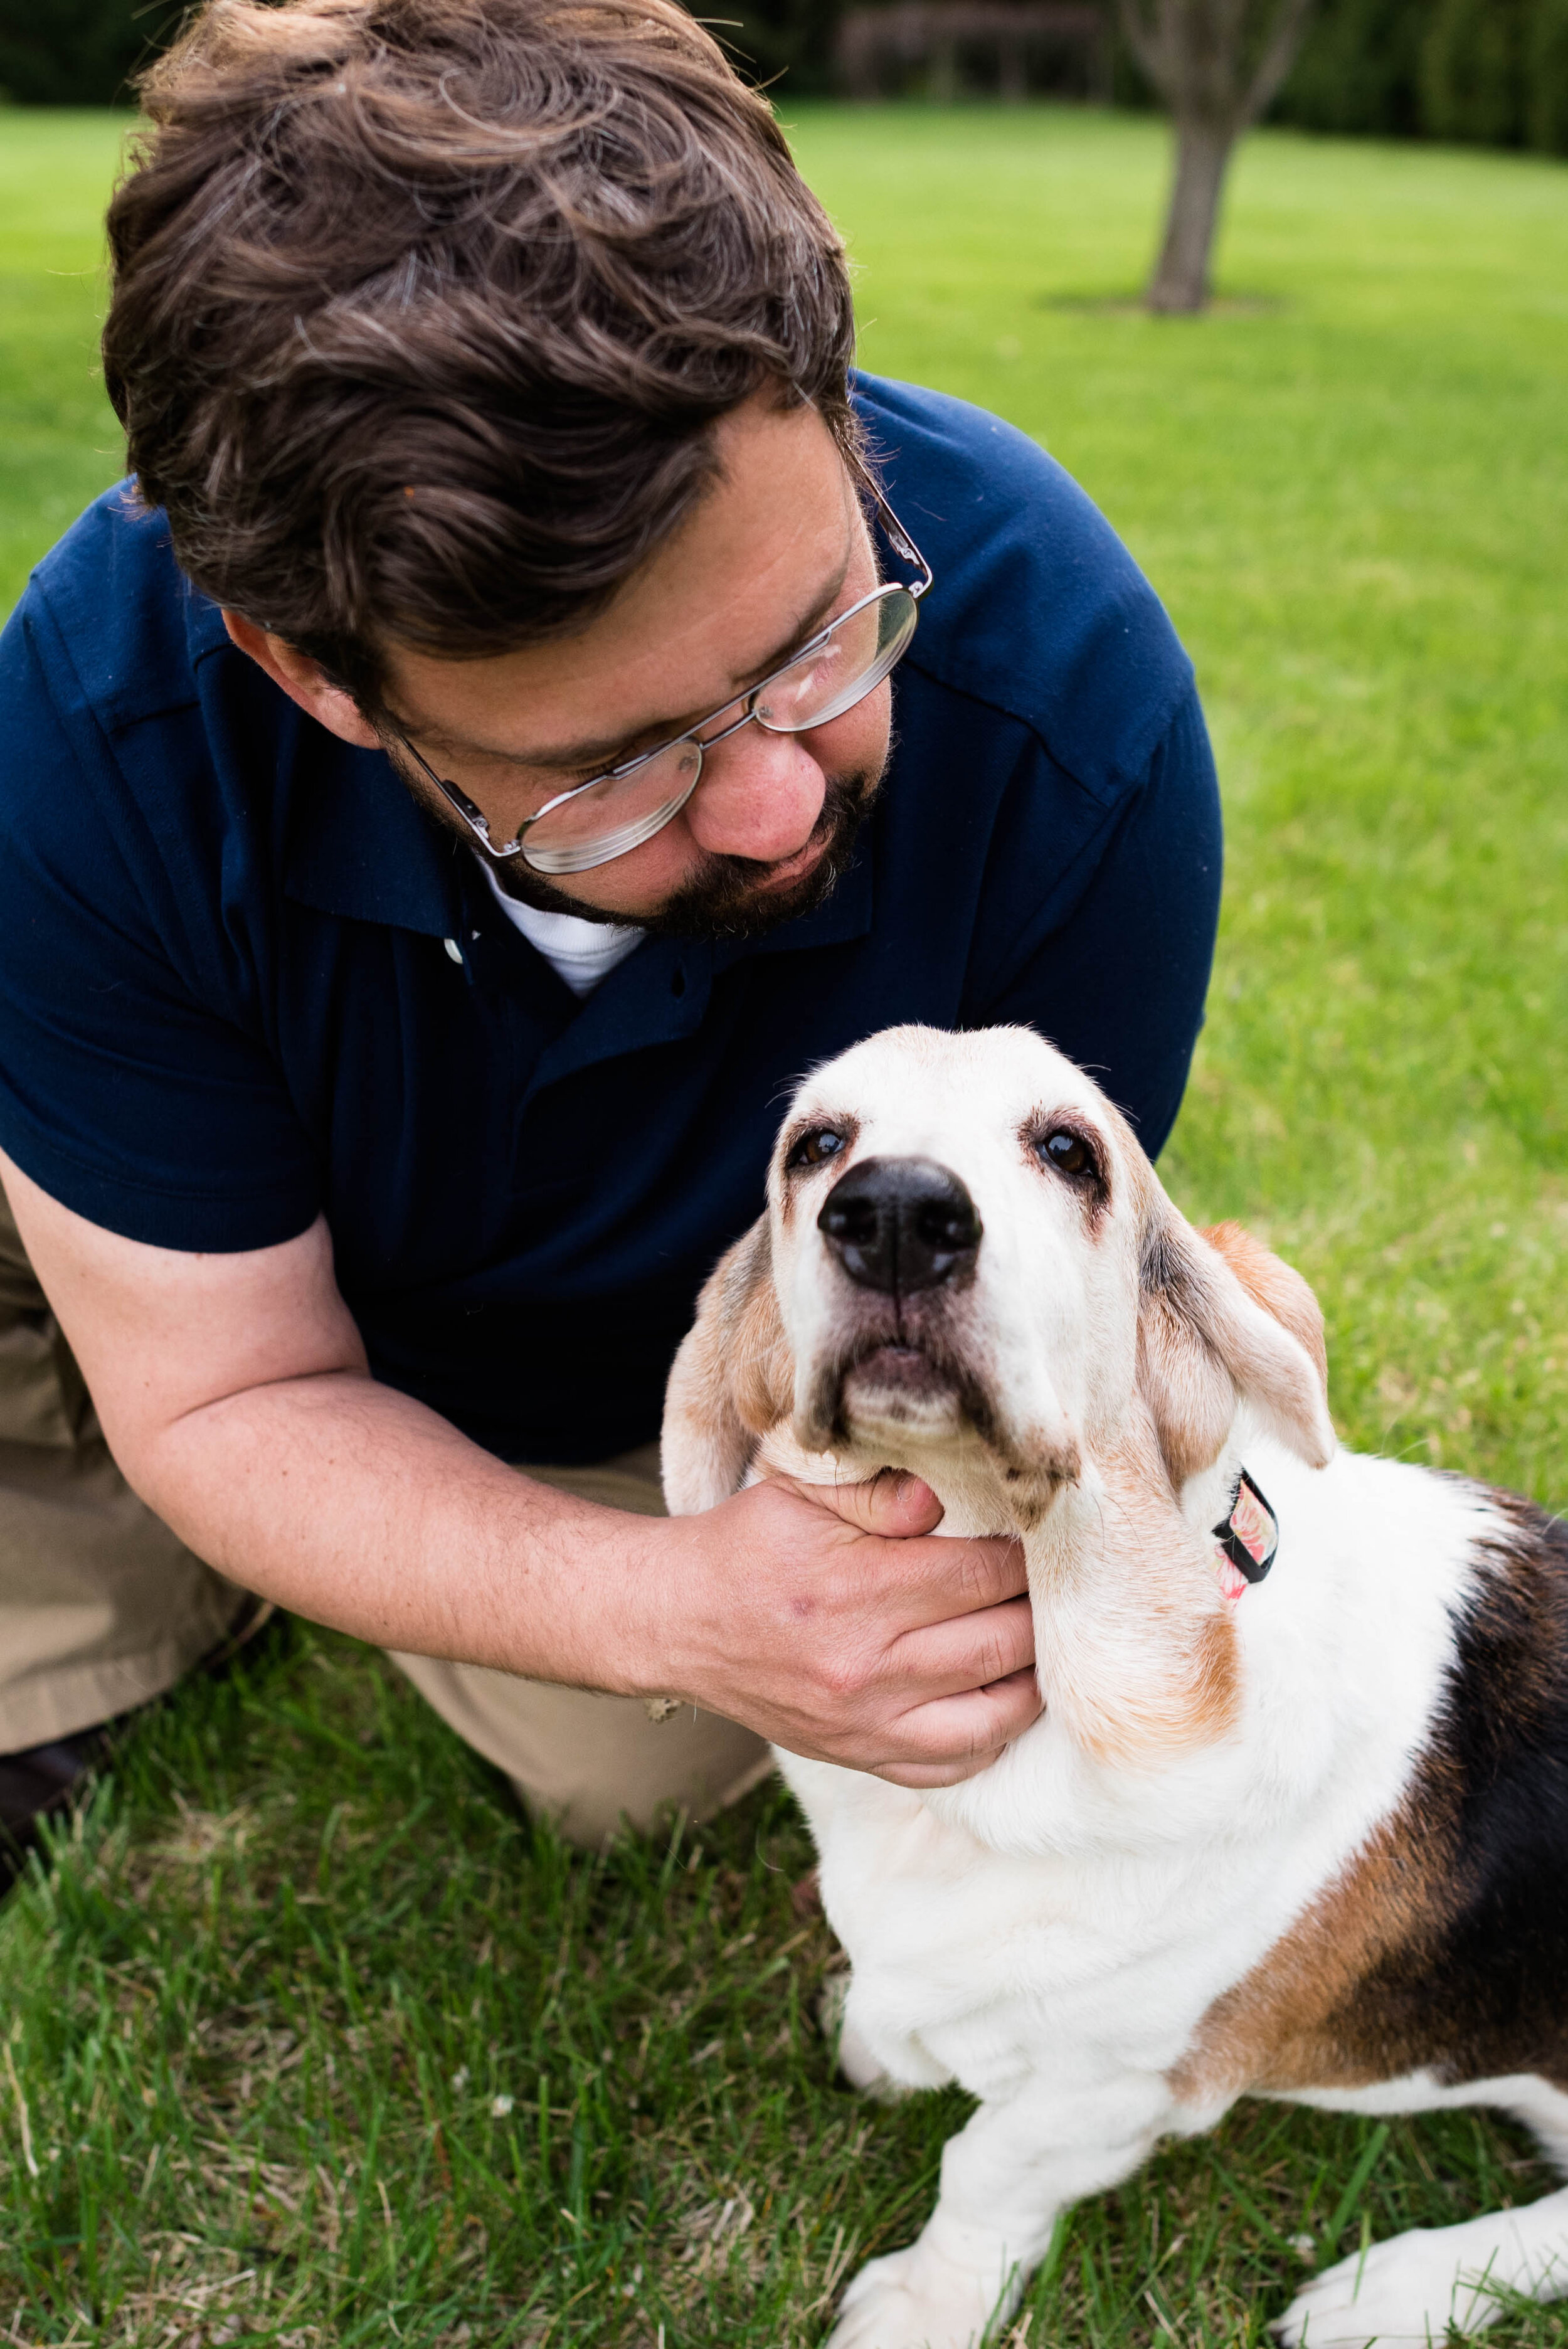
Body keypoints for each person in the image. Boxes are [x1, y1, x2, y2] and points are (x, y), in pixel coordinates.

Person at [0, 0, 1222, 1861]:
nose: (776, 803)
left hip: (617, 1356)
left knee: (628, 1771)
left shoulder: (1075, 702)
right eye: (615, 770)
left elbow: (1020, 1341)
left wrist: (742, 1595)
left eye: (819, 640)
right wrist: (656, 1603)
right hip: (209, 1265)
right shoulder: (99, 743)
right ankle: (97, 1532)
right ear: (311, 676)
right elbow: (239, 1387)